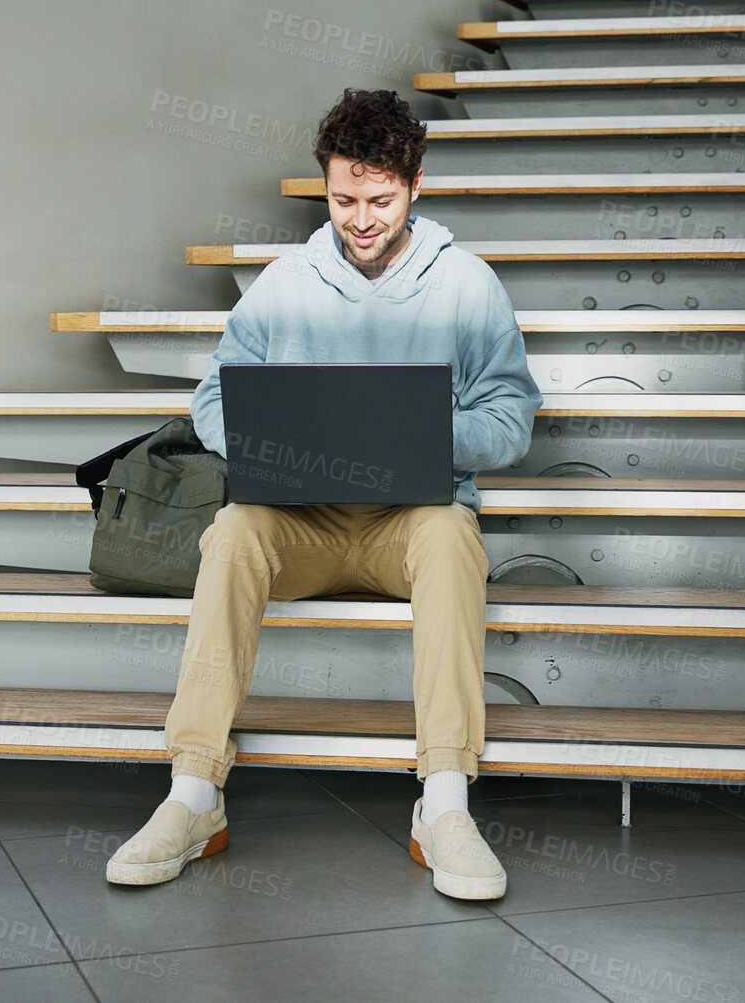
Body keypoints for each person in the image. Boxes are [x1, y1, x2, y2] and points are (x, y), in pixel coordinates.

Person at [104, 88, 542, 900]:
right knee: (233, 529)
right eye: (344, 199)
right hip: (300, 520)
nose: (361, 218)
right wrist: (270, 442)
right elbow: (211, 401)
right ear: (326, 188)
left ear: (415, 186)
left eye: (379, 199)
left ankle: (443, 800)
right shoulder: (283, 283)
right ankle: (192, 792)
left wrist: (424, 438)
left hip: (409, 522)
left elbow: (511, 414)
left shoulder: (468, 285)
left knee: (450, 536)